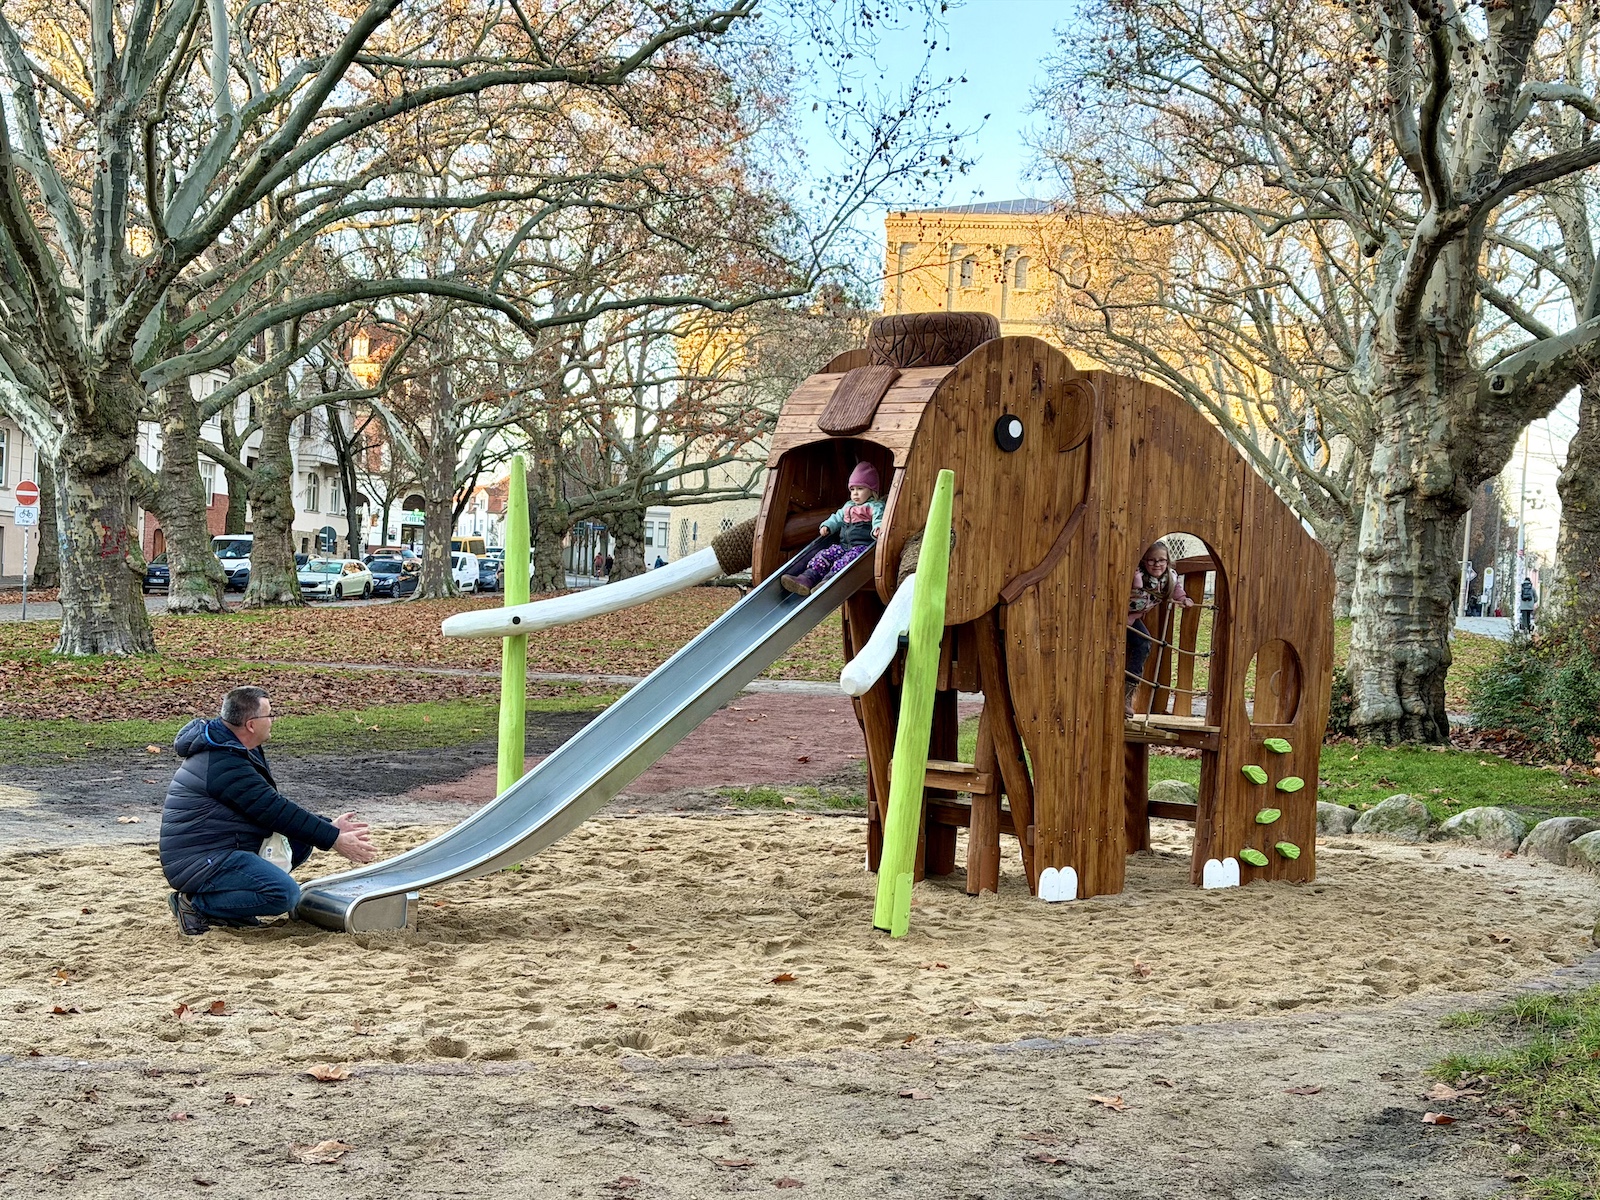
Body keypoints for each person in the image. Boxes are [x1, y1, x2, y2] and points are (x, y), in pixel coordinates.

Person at [159, 686, 377, 936]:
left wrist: (329, 827)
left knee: (300, 840)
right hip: (199, 859)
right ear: (251, 725)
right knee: (284, 894)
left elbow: (268, 806)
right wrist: (334, 838)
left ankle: (233, 908)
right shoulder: (223, 762)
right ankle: (195, 904)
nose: (273, 720)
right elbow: (273, 810)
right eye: (269, 715)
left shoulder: (236, 748)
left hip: (222, 845)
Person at [780, 462, 885, 596]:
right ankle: (806, 578)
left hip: (862, 548)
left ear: (872, 490)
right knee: (825, 554)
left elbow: (879, 519)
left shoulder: (874, 506)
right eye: (852, 489)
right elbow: (837, 517)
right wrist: (827, 525)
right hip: (844, 545)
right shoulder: (848, 506)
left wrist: (877, 529)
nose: (855, 494)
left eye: (860, 489)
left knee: (846, 560)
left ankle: (828, 580)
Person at [1126, 541, 1195, 716]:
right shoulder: (1137, 573)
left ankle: (1127, 694)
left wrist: (1184, 599)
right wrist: (1136, 578)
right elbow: (1134, 587)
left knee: (1143, 643)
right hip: (1116, 618)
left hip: (1133, 620)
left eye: (1161, 560)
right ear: (1143, 561)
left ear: (1168, 562)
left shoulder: (1169, 577)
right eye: (1151, 560)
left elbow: (1176, 589)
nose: (1157, 564)